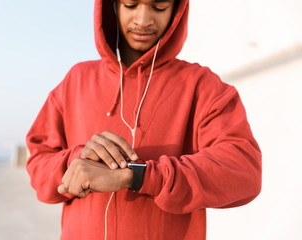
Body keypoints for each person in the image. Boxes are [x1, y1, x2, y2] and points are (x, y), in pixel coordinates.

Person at [26, 0, 262, 239]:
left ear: (177, 10)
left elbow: (244, 171)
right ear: (112, 6)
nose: (143, 20)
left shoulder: (202, 85)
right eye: (130, 4)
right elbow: (38, 164)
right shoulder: (77, 80)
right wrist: (76, 163)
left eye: (159, 7)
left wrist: (138, 175)